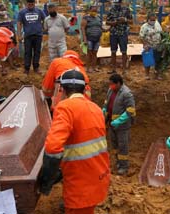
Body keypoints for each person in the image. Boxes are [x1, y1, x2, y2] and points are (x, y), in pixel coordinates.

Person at [39, 69, 110, 214]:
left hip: (80, 183)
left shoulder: (65, 108)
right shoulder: (95, 108)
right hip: (99, 178)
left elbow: (52, 148)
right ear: (84, 89)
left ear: (62, 89)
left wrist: (46, 179)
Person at [102, 74, 135, 175]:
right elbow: (107, 103)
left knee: (122, 146)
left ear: (119, 83)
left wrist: (119, 120)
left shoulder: (127, 94)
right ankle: (118, 162)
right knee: (115, 144)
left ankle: (124, 166)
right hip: (112, 124)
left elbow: (130, 110)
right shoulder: (110, 91)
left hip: (122, 126)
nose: (110, 86)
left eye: (112, 84)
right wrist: (104, 111)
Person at [17, 0, 46, 74]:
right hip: (28, 36)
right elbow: (19, 23)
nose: (31, 5)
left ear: (34, 3)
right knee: (27, 52)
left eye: (32, 3)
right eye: (29, 3)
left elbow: (45, 20)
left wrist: (43, 28)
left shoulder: (39, 11)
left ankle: (36, 67)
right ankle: (27, 68)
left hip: (38, 35)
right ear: (27, 3)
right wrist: (19, 35)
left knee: (37, 51)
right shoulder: (22, 12)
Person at [106, 0, 132, 75]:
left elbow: (131, 21)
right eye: (116, 3)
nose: (117, 4)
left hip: (123, 33)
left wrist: (125, 20)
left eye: (118, 3)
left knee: (124, 52)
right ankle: (113, 69)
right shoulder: (111, 10)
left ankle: (124, 70)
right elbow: (107, 22)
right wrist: (114, 23)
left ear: (121, 2)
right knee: (113, 51)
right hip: (113, 33)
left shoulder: (126, 10)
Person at [0, 4, 18, 74]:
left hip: (9, 38)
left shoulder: (8, 17)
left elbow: (12, 27)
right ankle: (3, 69)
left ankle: (12, 65)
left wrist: (14, 37)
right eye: (2, 9)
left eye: (5, 9)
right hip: (1, 38)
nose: (4, 11)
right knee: (2, 54)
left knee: (9, 52)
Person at [139, 13, 163, 80]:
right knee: (148, 61)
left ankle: (157, 75)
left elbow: (161, 32)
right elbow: (141, 37)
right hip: (149, 46)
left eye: (154, 20)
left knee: (158, 60)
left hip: (158, 45)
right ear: (148, 19)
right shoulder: (144, 27)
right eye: (151, 20)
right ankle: (147, 75)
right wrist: (145, 44)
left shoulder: (157, 24)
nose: (153, 21)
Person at [81, 5, 102, 73]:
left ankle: (94, 67)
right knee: (89, 54)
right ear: (90, 10)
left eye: (95, 11)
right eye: (93, 11)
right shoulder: (86, 18)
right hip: (89, 38)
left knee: (95, 53)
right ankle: (87, 68)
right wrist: (84, 39)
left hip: (97, 39)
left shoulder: (98, 18)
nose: (94, 12)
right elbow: (83, 28)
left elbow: (100, 27)